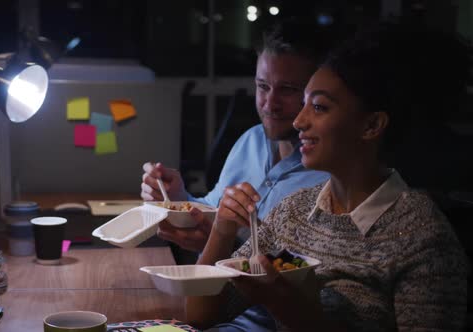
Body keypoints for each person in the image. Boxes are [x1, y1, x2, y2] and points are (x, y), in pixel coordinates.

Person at [186, 22, 471, 331]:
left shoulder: (423, 238)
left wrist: (285, 304)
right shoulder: (294, 212)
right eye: (304, 103)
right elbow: (200, 315)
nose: (298, 120)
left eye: (319, 107)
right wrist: (223, 231)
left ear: (372, 125)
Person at [141, 18, 331, 254]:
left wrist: (221, 246)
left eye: (288, 90)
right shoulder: (251, 140)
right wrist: (178, 197)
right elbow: (213, 209)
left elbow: (298, 275)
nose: (270, 104)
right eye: (263, 87)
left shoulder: (329, 174)